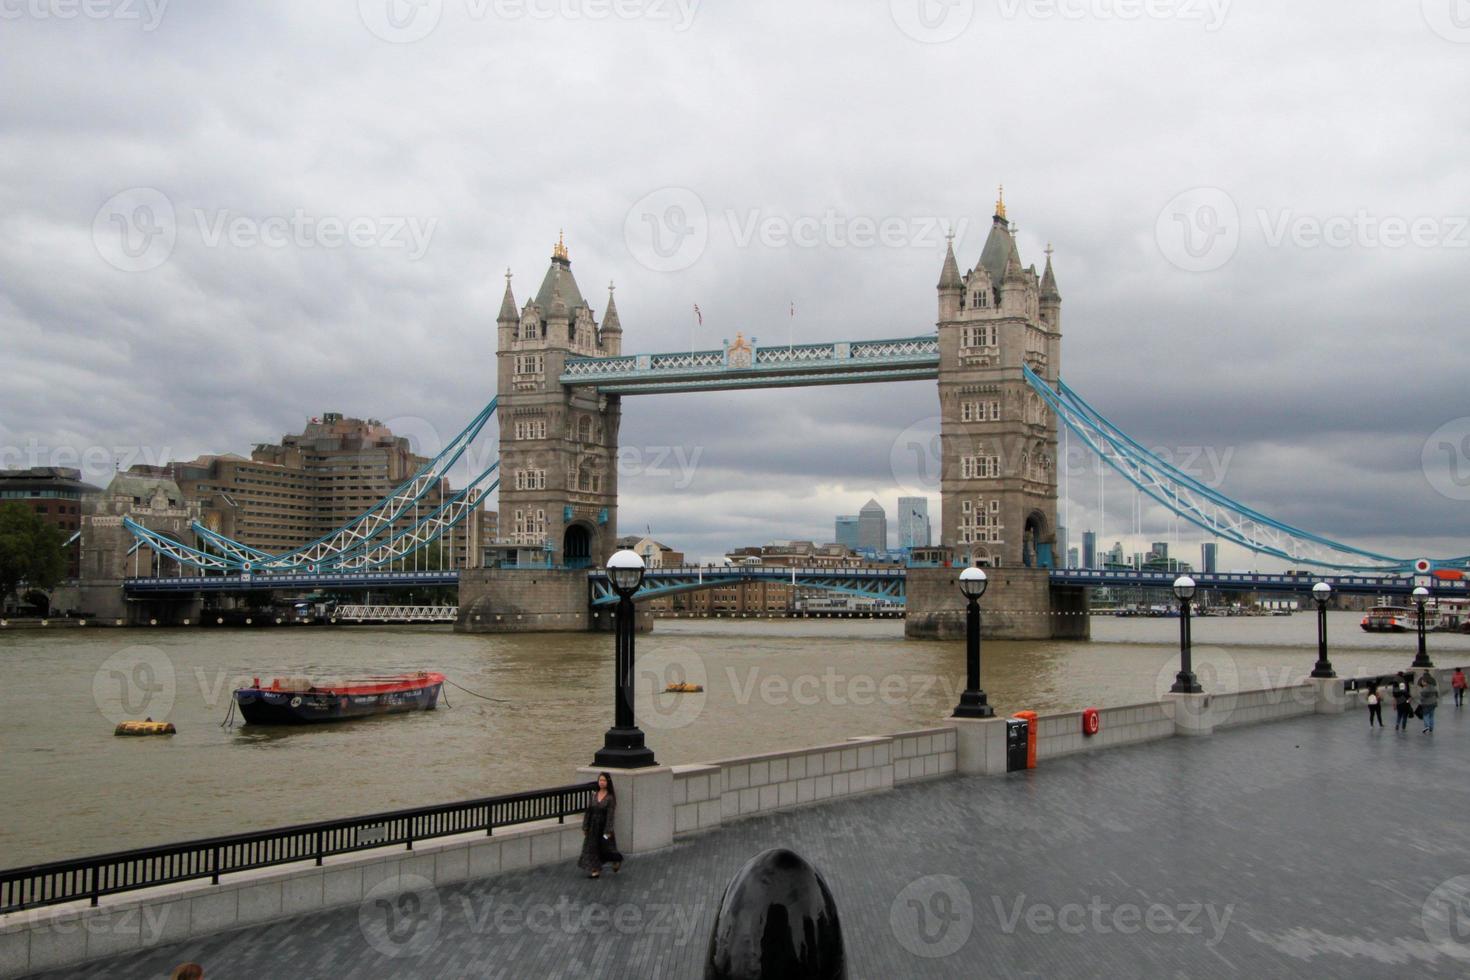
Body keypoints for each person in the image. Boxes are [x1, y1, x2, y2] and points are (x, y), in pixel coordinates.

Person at [578, 771, 623, 879]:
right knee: (592, 848)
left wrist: (607, 831)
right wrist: (585, 826)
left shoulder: (610, 798)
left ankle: (616, 860)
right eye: (600, 780)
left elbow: (610, 815)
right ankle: (595, 870)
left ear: (608, 782)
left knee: (607, 848)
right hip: (593, 827)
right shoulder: (594, 795)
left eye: (604, 780)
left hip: (604, 828)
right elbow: (588, 811)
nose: (601, 782)